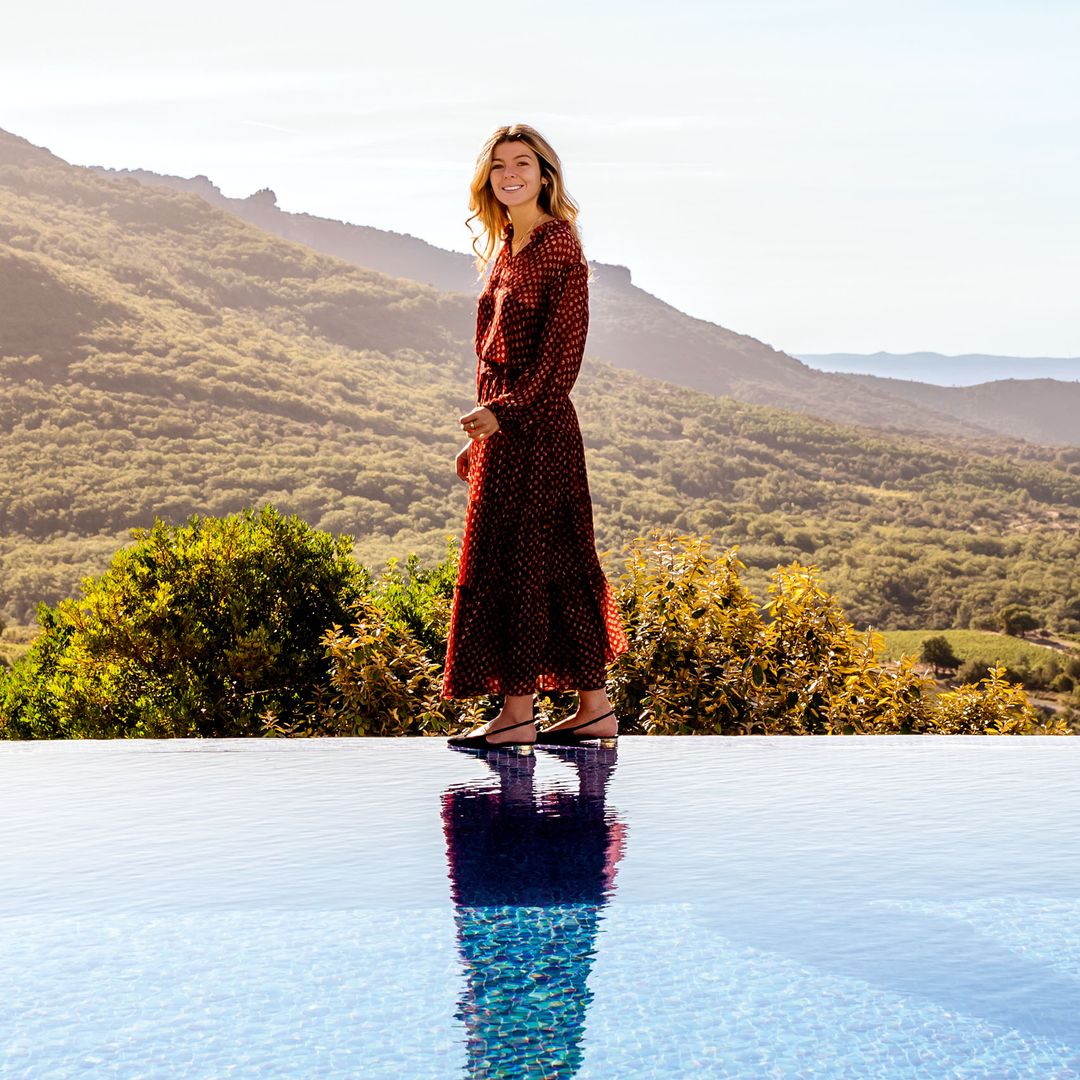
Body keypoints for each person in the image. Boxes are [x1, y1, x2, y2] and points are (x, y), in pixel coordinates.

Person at [441, 123, 629, 749]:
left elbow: (561, 360)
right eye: (497, 165)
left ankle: (518, 715)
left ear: (545, 174)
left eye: (522, 163)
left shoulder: (558, 248)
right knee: (529, 563)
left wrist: (506, 415)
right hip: (508, 431)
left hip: (540, 432)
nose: (509, 174)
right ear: (487, 178)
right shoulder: (505, 250)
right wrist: (484, 433)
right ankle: (593, 708)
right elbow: (492, 358)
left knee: (531, 564)